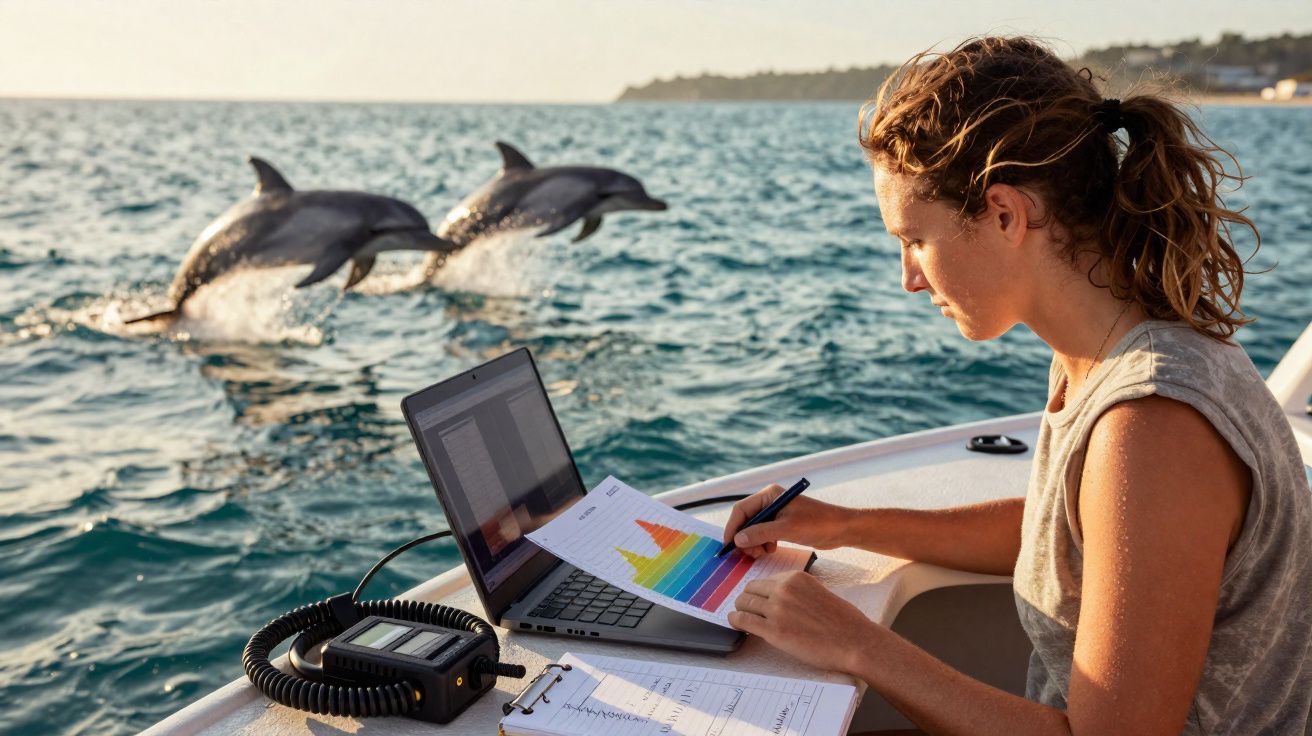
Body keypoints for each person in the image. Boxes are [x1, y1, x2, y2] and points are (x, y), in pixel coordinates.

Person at [723, 37, 1312, 735]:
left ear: (1006, 214)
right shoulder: (1103, 352)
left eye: (914, 239)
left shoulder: (1152, 425)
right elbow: (1071, 536)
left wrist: (859, 645)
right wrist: (842, 523)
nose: (908, 277)